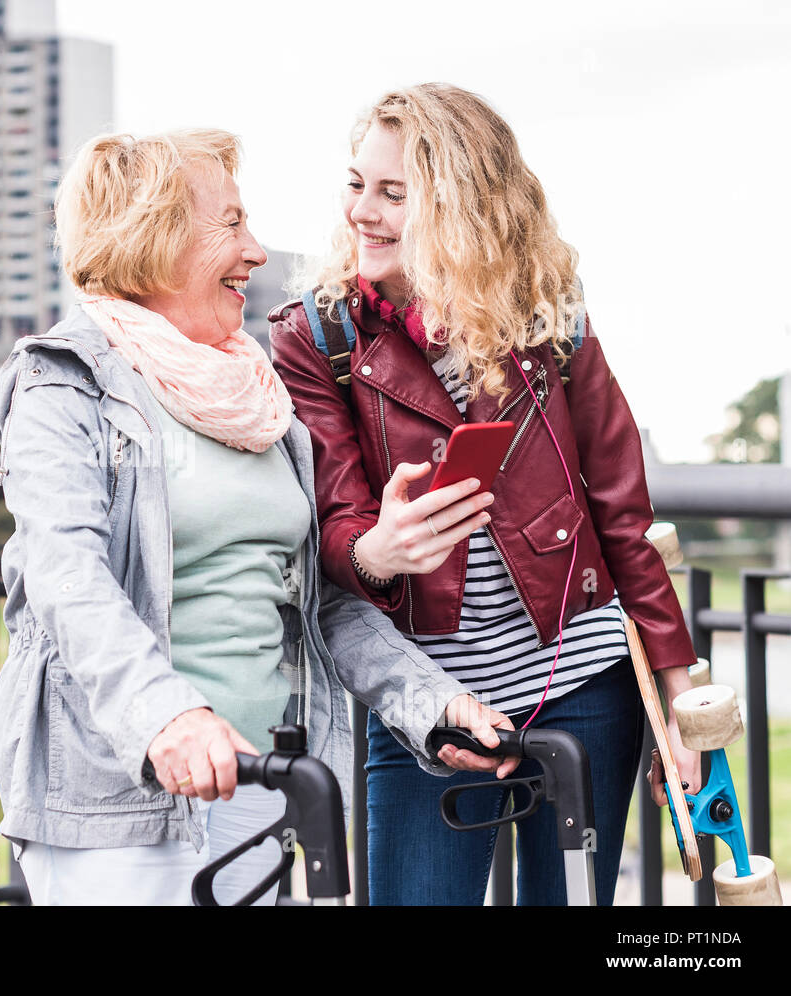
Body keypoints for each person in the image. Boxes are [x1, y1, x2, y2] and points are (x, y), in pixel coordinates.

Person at [0, 127, 515, 906]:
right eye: (232, 224)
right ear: (154, 236)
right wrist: (168, 718)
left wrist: (430, 703)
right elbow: (67, 577)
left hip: (266, 784)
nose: (259, 252)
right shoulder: (61, 382)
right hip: (121, 802)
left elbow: (317, 603)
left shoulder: (257, 394)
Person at [269, 83, 700, 905]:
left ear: (460, 207)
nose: (363, 210)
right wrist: (377, 551)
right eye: (357, 183)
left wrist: (681, 707)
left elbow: (623, 518)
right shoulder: (315, 336)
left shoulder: (547, 320)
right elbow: (333, 525)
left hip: (583, 684)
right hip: (429, 703)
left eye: (395, 194)